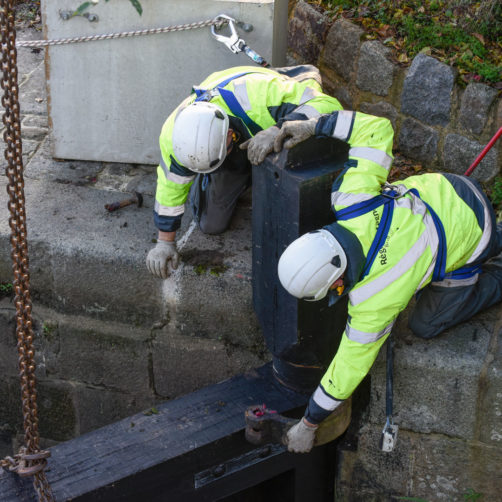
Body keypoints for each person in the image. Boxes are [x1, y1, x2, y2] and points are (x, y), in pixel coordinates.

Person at [274, 110, 502, 453]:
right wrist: (313, 125)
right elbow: (377, 129)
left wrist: (309, 423)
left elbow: (350, 366)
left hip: (476, 232)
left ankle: (496, 269)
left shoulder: (375, 300)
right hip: (448, 188)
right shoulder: (350, 199)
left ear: (338, 285)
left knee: (425, 323)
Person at [146, 65, 343, 278]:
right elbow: (170, 188)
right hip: (231, 142)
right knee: (211, 223)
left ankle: (297, 77)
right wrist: (165, 242)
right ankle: (227, 178)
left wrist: (279, 129)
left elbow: (329, 105)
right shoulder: (173, 137)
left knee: (306, 154)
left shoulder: (260, 96)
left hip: (270, 114)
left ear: (230, 134)